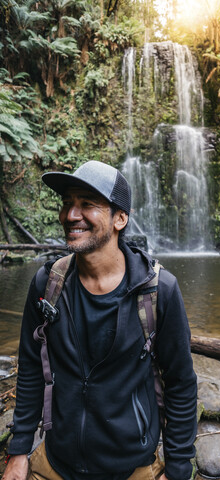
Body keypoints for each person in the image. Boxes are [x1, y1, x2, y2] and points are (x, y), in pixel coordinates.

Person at [3, 160, 197, 480]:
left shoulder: (159, 291)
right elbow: (31, 368)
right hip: (57, 462)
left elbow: (181, 383)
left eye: (87, 205)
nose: (71, 215)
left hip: (133, 467)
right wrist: (19, 449)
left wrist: (177, 468)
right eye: (67, 204)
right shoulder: (47, 284)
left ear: (120, 218)